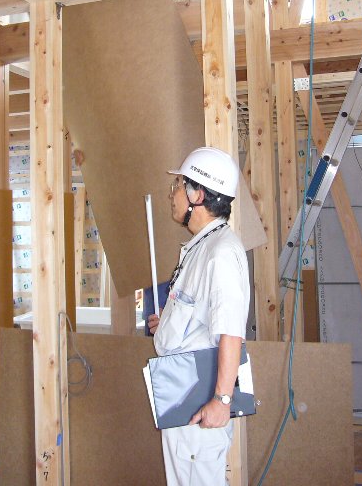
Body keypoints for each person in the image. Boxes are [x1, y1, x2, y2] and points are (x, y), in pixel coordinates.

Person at [147, 146, 250, 486]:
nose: (172, 194)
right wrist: (168, 325)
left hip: (199, 399)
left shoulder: (221, 253)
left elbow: (231, 332)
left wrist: (221, 400)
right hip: (183, 393)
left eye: (178, 186)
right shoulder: (201, 248)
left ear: (198, 195)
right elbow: (199, 315)